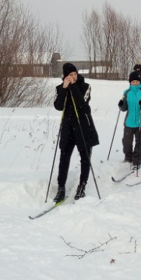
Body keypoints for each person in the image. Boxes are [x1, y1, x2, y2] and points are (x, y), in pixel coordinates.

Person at [53, 63, 100, 202]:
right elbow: (58, 106)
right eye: (70, 75)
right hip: (68, 128)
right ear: (65, 76)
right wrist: (64, 88)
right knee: (64, 158)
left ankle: (82, 185)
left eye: (75, 74)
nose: (73, 77)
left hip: (84, 127)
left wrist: (72, 87)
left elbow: (81, 104)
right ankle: (61, 188)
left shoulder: (85, 86)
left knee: (85, 157)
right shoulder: (60, 88)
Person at [117, 71, 141, 170]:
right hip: (129, 122)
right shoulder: (126, 92)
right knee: (126, 142)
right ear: (130, 82)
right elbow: (124, 109)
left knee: (139, 142)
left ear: (140, 81)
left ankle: (136, 161)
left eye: (137, 81)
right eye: (133, 81)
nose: (135, 83)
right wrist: (121, 104)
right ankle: (128, 158)